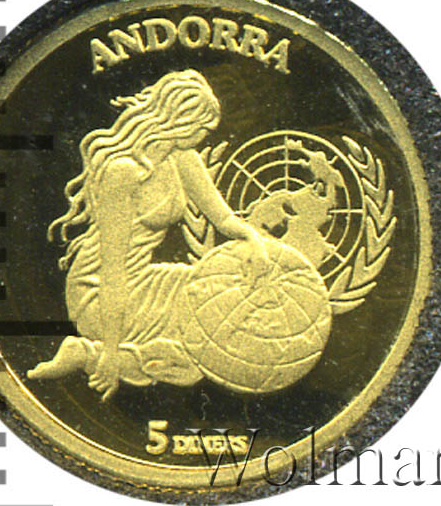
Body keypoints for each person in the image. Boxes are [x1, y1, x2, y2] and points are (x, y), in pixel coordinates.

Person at [28, 70, 267, 401]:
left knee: (220, 294)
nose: (206, 135)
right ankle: (94, 353)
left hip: (147, 279)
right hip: (101, 291)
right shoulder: (122, 172)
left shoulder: (184, 159)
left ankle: (85, 354)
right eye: (202, 127)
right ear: (180, 121)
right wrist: (111, 352)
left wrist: (253, 240)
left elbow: (223, 218)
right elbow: (112, 269)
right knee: (198, 342)